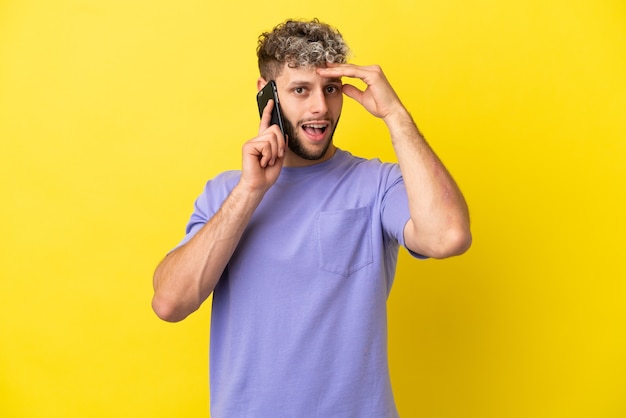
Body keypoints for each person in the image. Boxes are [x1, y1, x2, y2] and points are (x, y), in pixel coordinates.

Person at [152, 18, 471, 417]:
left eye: (331, 89)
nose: (321, 106)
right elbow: (169, 302)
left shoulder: (376, 184)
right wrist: (251, 192)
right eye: (300, 90)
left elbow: (449, 236)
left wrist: (395, 115)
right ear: (265, 93)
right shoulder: (225, 194)